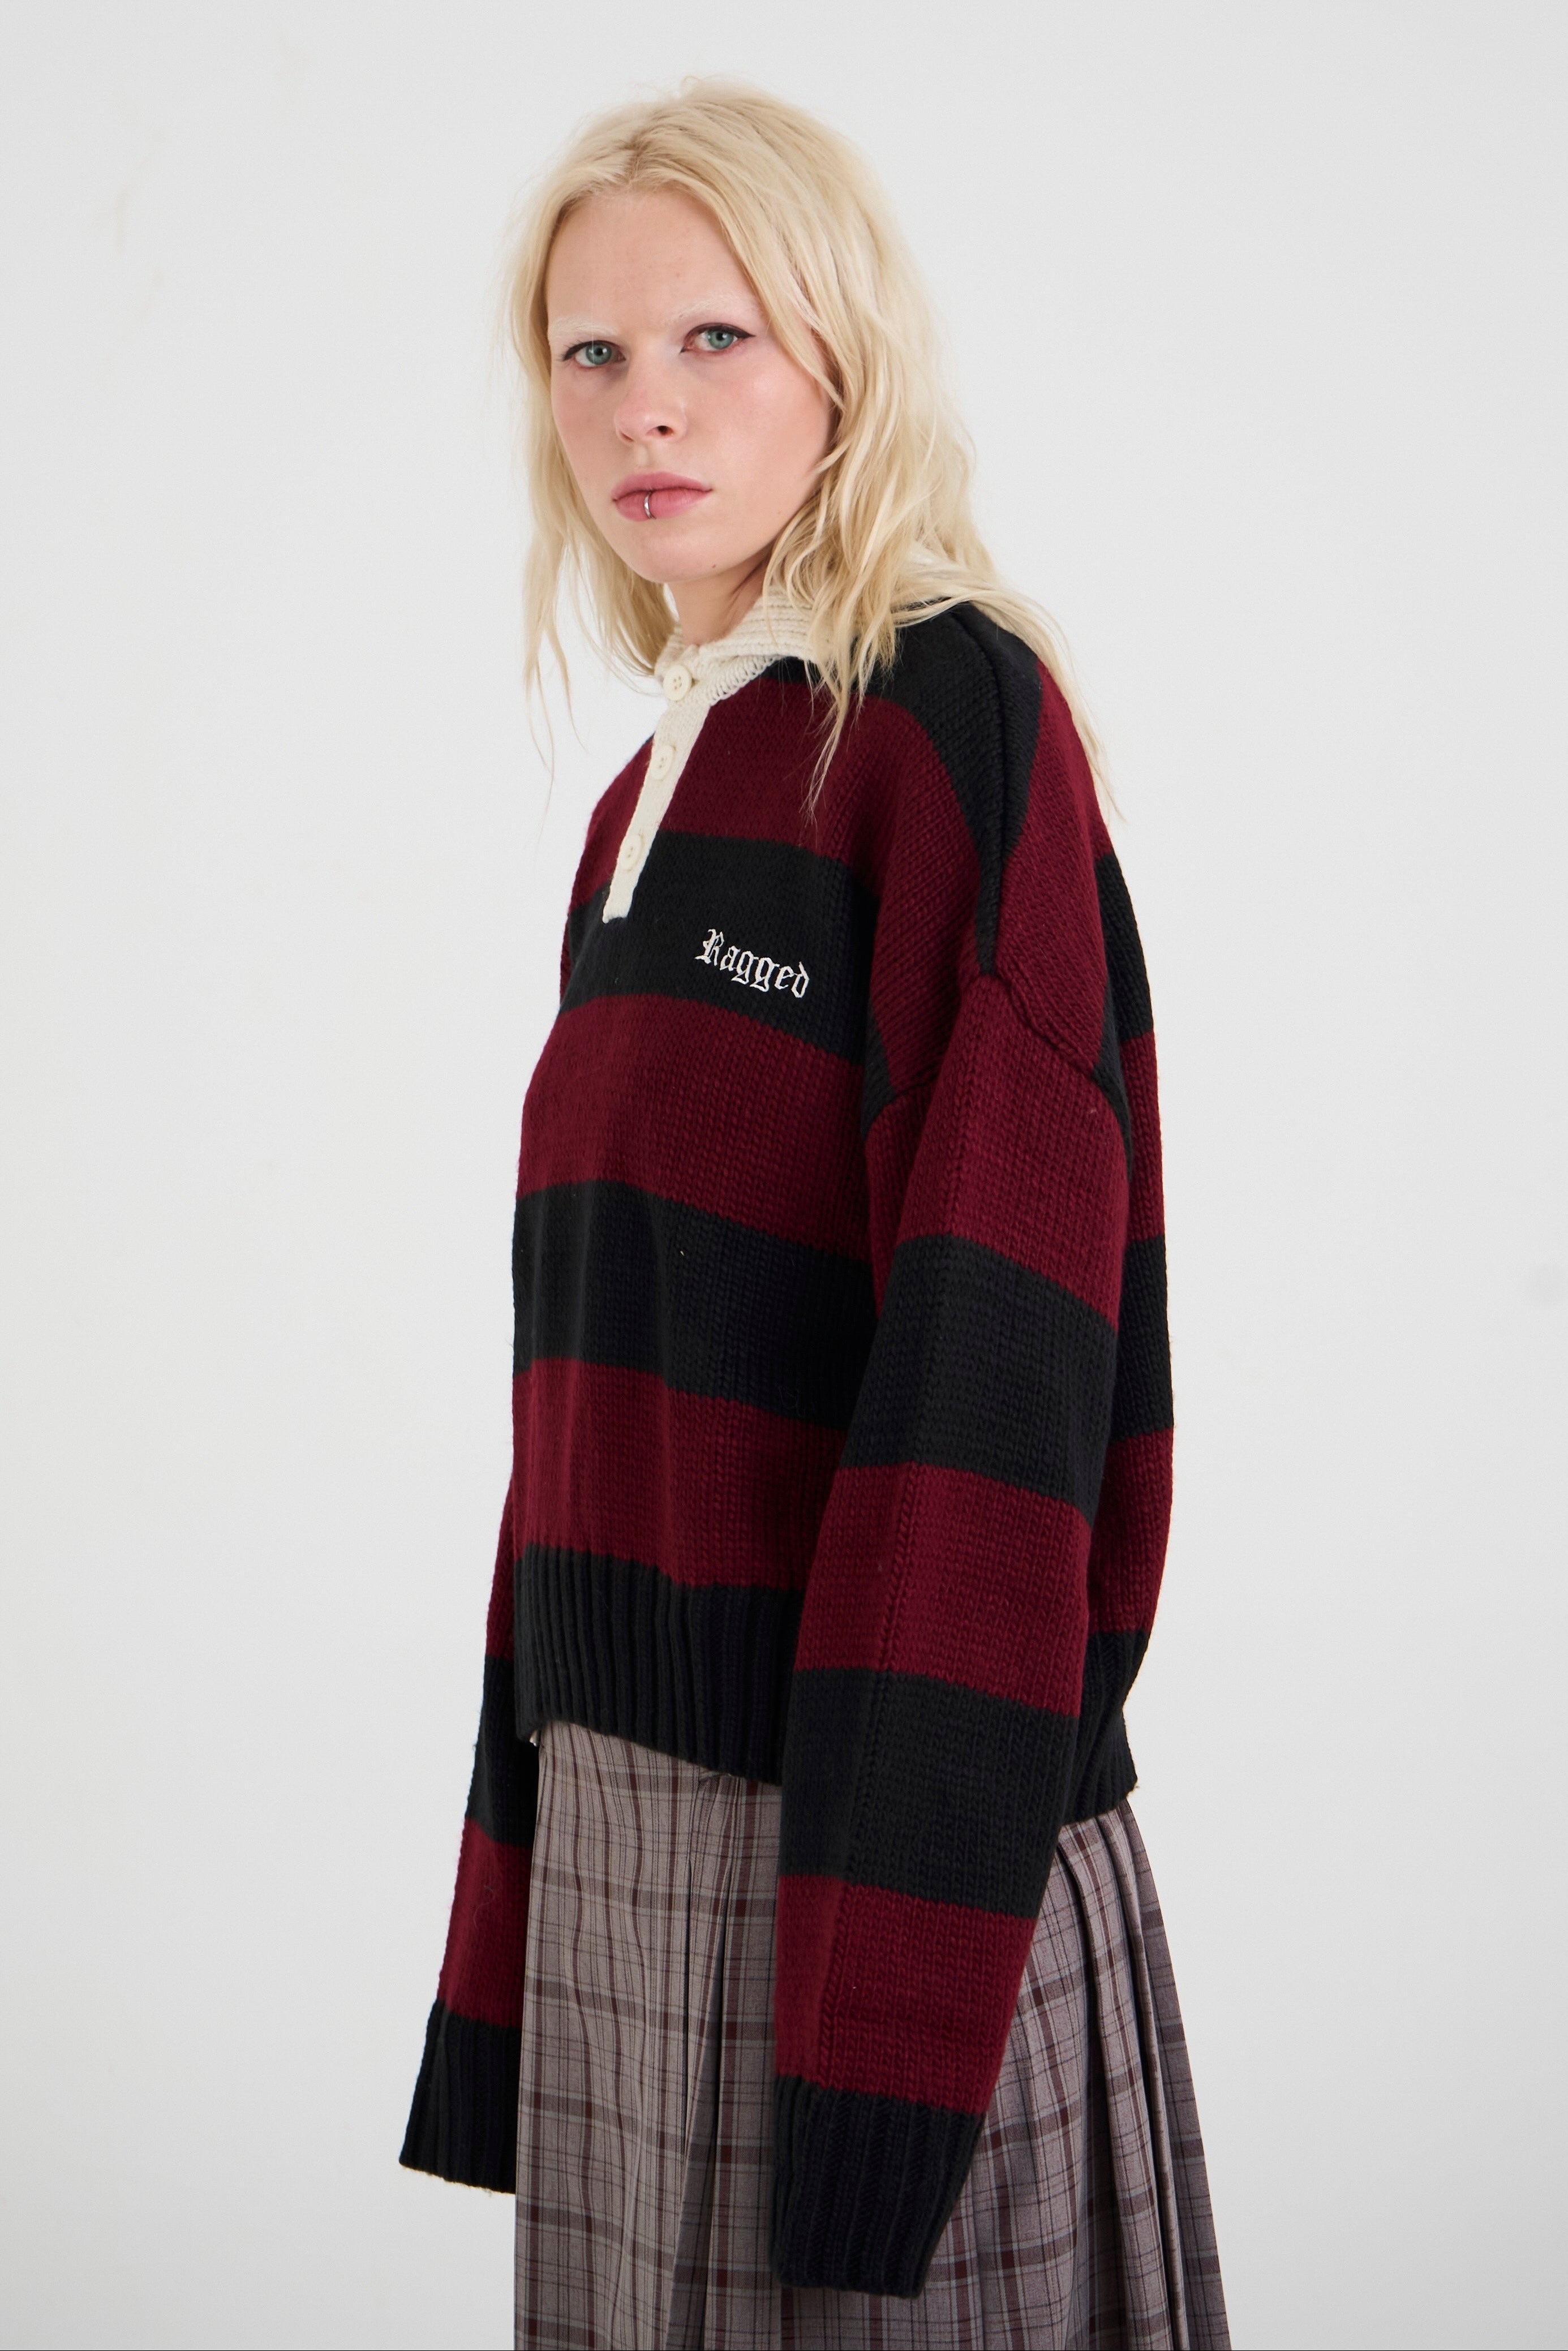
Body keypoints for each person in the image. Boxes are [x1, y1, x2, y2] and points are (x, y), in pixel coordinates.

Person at [400, 77, 1229, 2351]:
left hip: (878, 1864)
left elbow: (997, 1385)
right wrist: (511, 1944)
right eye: (589, 353)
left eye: (714, 338)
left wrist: (882, 1990)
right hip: (627, 1850)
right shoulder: (643, 807)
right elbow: (590, 1411)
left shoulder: (950, 726)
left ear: (840, 358)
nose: (642, 408)